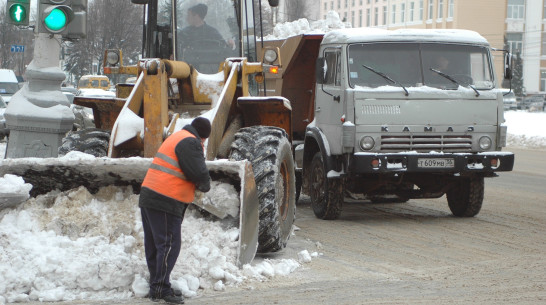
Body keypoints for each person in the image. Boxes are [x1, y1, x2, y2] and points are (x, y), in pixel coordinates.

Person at [139, 117, 212, 304]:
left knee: (155, 244)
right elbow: (198, 171)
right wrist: (205, 184)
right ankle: (160, 288)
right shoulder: (190, 142)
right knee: (169, 245)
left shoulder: (177, 136)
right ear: (202, 137)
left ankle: (157, 284)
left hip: (150, 196)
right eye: (204, 140)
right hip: (166, 199)